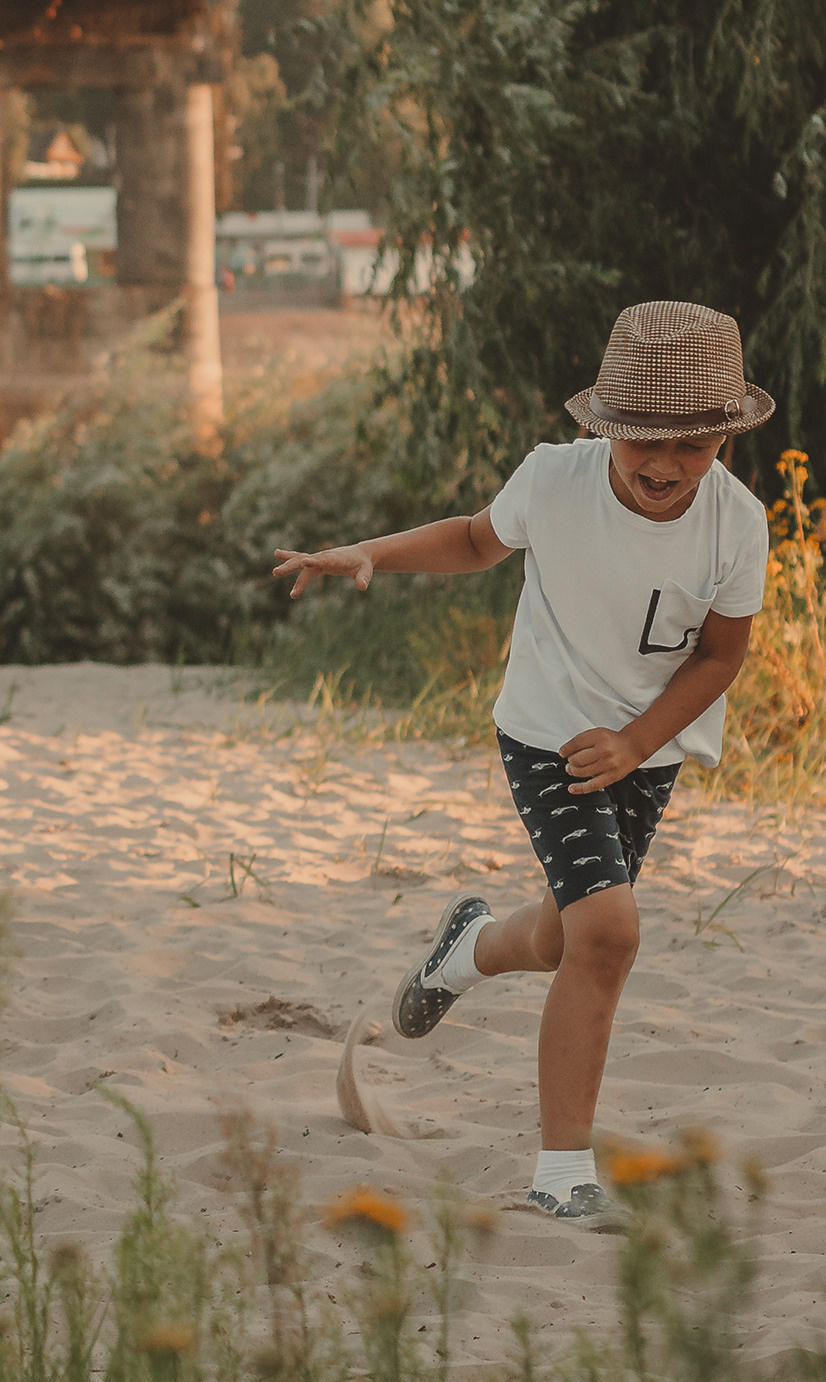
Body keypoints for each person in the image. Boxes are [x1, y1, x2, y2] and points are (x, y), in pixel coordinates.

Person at [272, 299, 771, 1227]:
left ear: (727, 439)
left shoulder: (738, 525)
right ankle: (562, 1171)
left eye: (695, 446)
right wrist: (368, 552)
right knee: (609, 933)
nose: (665, 466)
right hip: (548, 733)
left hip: (645, 749)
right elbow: (474, 540)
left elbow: (719, 658)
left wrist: (638, 744)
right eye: (643, 442)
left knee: (563, 940)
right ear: (603, 426)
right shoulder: (553, 479)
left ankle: (464, 950)